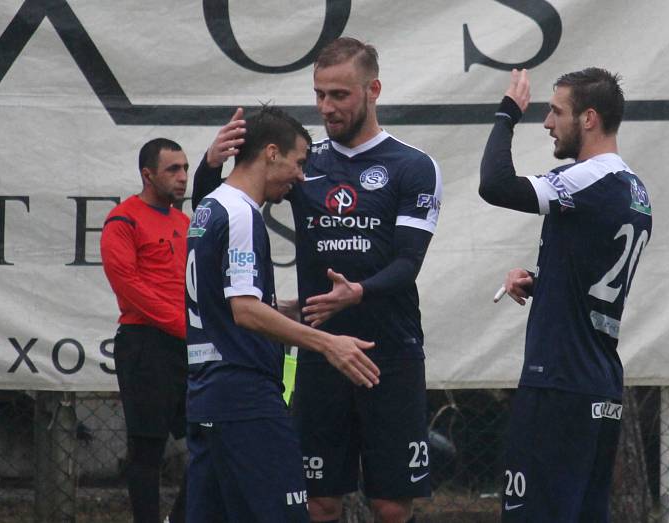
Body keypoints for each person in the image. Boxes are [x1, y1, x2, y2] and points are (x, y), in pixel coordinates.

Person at [193, 37, 442, 523]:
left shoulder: (413, 166)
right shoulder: (305, 163)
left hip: (388, 351)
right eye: (320, 94)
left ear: (373, 90)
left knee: (391, 506)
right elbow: (219, 213)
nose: (327, 107)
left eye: (340, 95)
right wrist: (209, 165)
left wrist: (360, 292)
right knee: (319, 503)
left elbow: (409, 261)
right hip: (320, 353)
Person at [184, 106, 381, 522]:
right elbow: (245, 312)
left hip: (207, 395)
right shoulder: (240, 213)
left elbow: (224, 301)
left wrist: (286, 310)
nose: (301, 176)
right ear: (271, 153)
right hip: (245, 397)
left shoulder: (209, 206)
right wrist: (329, 343)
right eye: (299, 162)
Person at [479, 67, 653, 522]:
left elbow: (495, 185)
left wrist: (506, 114)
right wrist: (543, 282)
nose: (547, 123)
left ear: (589, 118)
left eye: (556, 112)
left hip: (558, 382)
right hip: (599, 383)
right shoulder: (635, 190)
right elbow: (593, 277)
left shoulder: (587, 179)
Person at [100, 138, 190, 523]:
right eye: (173, 169)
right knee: (147, 449)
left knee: (210, 441)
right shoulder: (123, 220)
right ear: (147, 174)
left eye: (185, 168)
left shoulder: (185, 223)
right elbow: (130, 288)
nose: (183, 177)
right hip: (145, 345)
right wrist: (183, 326)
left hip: (187, 345)